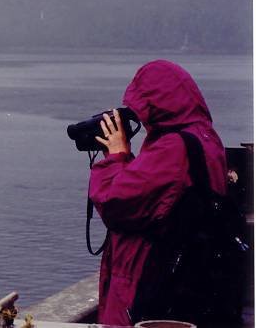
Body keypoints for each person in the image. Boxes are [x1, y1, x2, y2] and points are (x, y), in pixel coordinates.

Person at [88, 59, 227, 326]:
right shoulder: (205, 137)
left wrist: (117, 157)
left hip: (149, 274)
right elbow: (159, 197)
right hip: (186, 272)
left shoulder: (172, 149)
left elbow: (115, 202)